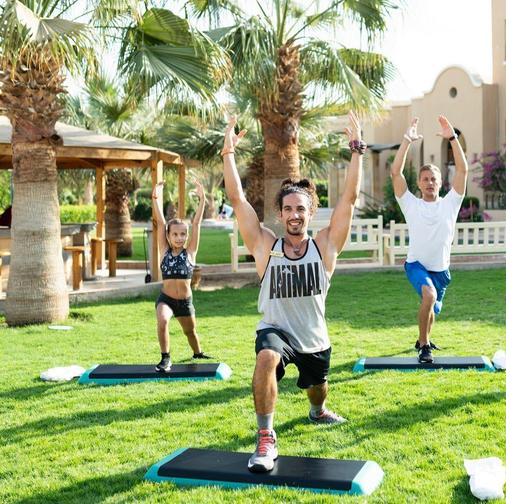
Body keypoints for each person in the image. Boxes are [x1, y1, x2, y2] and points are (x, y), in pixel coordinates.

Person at [222, 111, 364, 473]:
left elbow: (348, 199)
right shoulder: (265, 247)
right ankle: (266, 437)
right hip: (277, 331)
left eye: (300, 208)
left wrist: (357, 150)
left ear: (310, 212)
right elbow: (238, 201)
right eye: (288, 209)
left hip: (315, 340)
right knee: (266, 357)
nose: (294, 214)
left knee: (317, 391)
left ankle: (317, 410)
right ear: (281, 214)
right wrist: (228, 155)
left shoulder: (326, 246)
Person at [391, 115, 467, 364]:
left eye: (434, 179)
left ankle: (423, 338)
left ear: (441, 182)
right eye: (425, 179)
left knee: (433, 308)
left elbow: (463, 170)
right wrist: (406, 141)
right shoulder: (411, 204)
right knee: (429, 297)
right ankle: (424, 347)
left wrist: (452, 138)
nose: (430, 182)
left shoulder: (451, 203)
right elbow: (395, 172)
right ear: (419, 184)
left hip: (441, 270)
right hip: (416, 265)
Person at [151, 179, 211, 372]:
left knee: (190, 332)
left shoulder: (190, 252)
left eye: (183, 234)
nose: (179, 238)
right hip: (166, 299)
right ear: (168, 236)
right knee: (162, 320)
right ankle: (165, 358)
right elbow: (160, 222)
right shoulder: (164, 251)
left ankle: (198, 352)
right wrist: (155, 199)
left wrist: (202, 199)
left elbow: (197, 223)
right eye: (175, 234)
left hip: (185, 302)